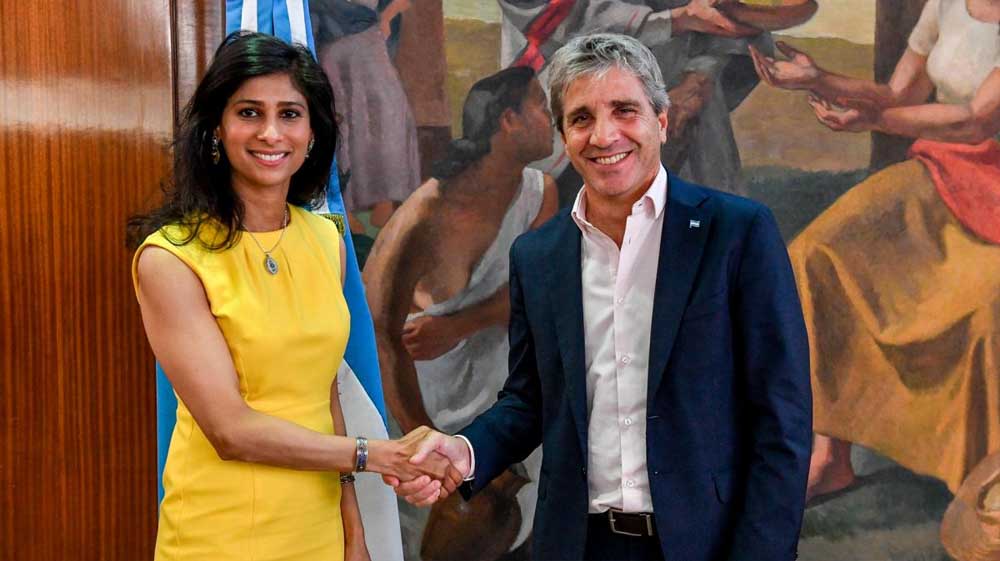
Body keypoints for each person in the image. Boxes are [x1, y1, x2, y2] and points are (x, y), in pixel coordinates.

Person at [389, 33, 812, 561]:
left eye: (624, 110)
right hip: (577, 544)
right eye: (581, 118)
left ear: (661, 121)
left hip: (707, 544)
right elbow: (529, 401)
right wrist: (466, 450)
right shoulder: (539, 256)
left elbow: (782, 418)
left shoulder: (737, 232)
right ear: (564, 137)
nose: (604, 135)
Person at [126, 31, 461, 561]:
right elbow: (230, 431)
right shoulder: (170, 258)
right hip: (221, 536)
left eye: (289, 114)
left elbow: (327, 396)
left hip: (319, 532)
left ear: (311, 133)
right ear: (217, 128)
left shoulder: (326, 240)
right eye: (249, 113)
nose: (270, 132)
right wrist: (377, 455)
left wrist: (353, 531)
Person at [748, 0, 1000, 500]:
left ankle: (977, 476)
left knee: (982, 310)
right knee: (816, 252)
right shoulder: (947, 3)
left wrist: (876, 120)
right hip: (945, 171)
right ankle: (829, 455)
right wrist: (818, 79)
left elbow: (976, 121)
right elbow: (898, 93)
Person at [363, 66, 559, 559]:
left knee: (513, 513)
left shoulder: (539, 193)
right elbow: (380, 335)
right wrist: (421, 440)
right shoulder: (423, 216)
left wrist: (461, 323)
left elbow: (537, 293)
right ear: (508, 120)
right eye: (541, 105)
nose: (552, 117)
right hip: (428, 398)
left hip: (505, 387)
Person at [498, 0, 818, 198]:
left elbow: (730, 11)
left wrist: (700, 77)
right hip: (573, 98)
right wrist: (677, 19)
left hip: (685, 104)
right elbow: (546, 15)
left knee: (702, 243)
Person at [312, 0, 421, 231]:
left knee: (388, 117)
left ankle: (385, 203)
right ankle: (345, 208)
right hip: (329, 48)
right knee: (341, 121)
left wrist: (386, 17)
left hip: (369, 44)